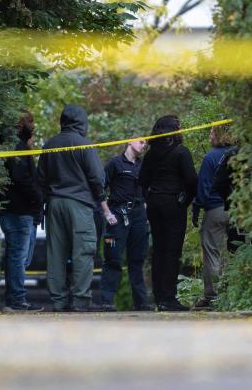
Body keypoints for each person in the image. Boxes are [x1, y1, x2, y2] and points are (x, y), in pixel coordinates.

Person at [36, 104, 110, 312]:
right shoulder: (84, 144)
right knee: (83, 251)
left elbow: (39, 178)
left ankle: (58, 301)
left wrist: (42, 206)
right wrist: (101, 198)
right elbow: (97, 177)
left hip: (53, 204)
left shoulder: (49, 145)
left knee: (56, 253)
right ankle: (80, 301)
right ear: (82, 123)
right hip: (79, 204)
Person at [139, 115, 197, 312]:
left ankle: (159, 297)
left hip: (155, 202)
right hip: (173, 202)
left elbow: (142, 181)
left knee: (159, 251)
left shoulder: (150, 154)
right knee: (172, 251)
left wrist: (150, 198)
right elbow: (191, 180)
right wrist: (185, 201)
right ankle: (169, 298)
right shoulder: (181, 152)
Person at [98, 139, 151, 311]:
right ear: (130, 141)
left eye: (146, 143)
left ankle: (141, 302)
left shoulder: (144, 166)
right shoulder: (115, 163)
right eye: (141, 141)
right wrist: (107, 212)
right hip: (118, 216)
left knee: (137, 259)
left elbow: (147, 191)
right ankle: (106, 301)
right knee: (112, 258)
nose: (144, 145)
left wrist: (146, 214)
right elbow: (100, 189)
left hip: (138, 216)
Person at [0, 110, 42, 312]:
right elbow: (21, 177)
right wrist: (37, 196)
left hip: (11, 209)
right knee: (18, 257)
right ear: (22, 124)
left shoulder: (11, 146)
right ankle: (17, 299)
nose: (33, 126)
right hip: (19, 211)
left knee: (15, 256)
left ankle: (13, 298)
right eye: (30, 122)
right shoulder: (18, 147)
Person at [191, 125, 234, 309]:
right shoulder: (238, 154)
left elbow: (203, 187)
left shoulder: (211, 157)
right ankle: (234, 292)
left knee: (212, 253)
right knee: (235, 251)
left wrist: (196, 208)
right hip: (238, 209)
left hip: (215, 208)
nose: (209, 135)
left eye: (212, 132)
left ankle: (213, 296)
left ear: (219, 135)